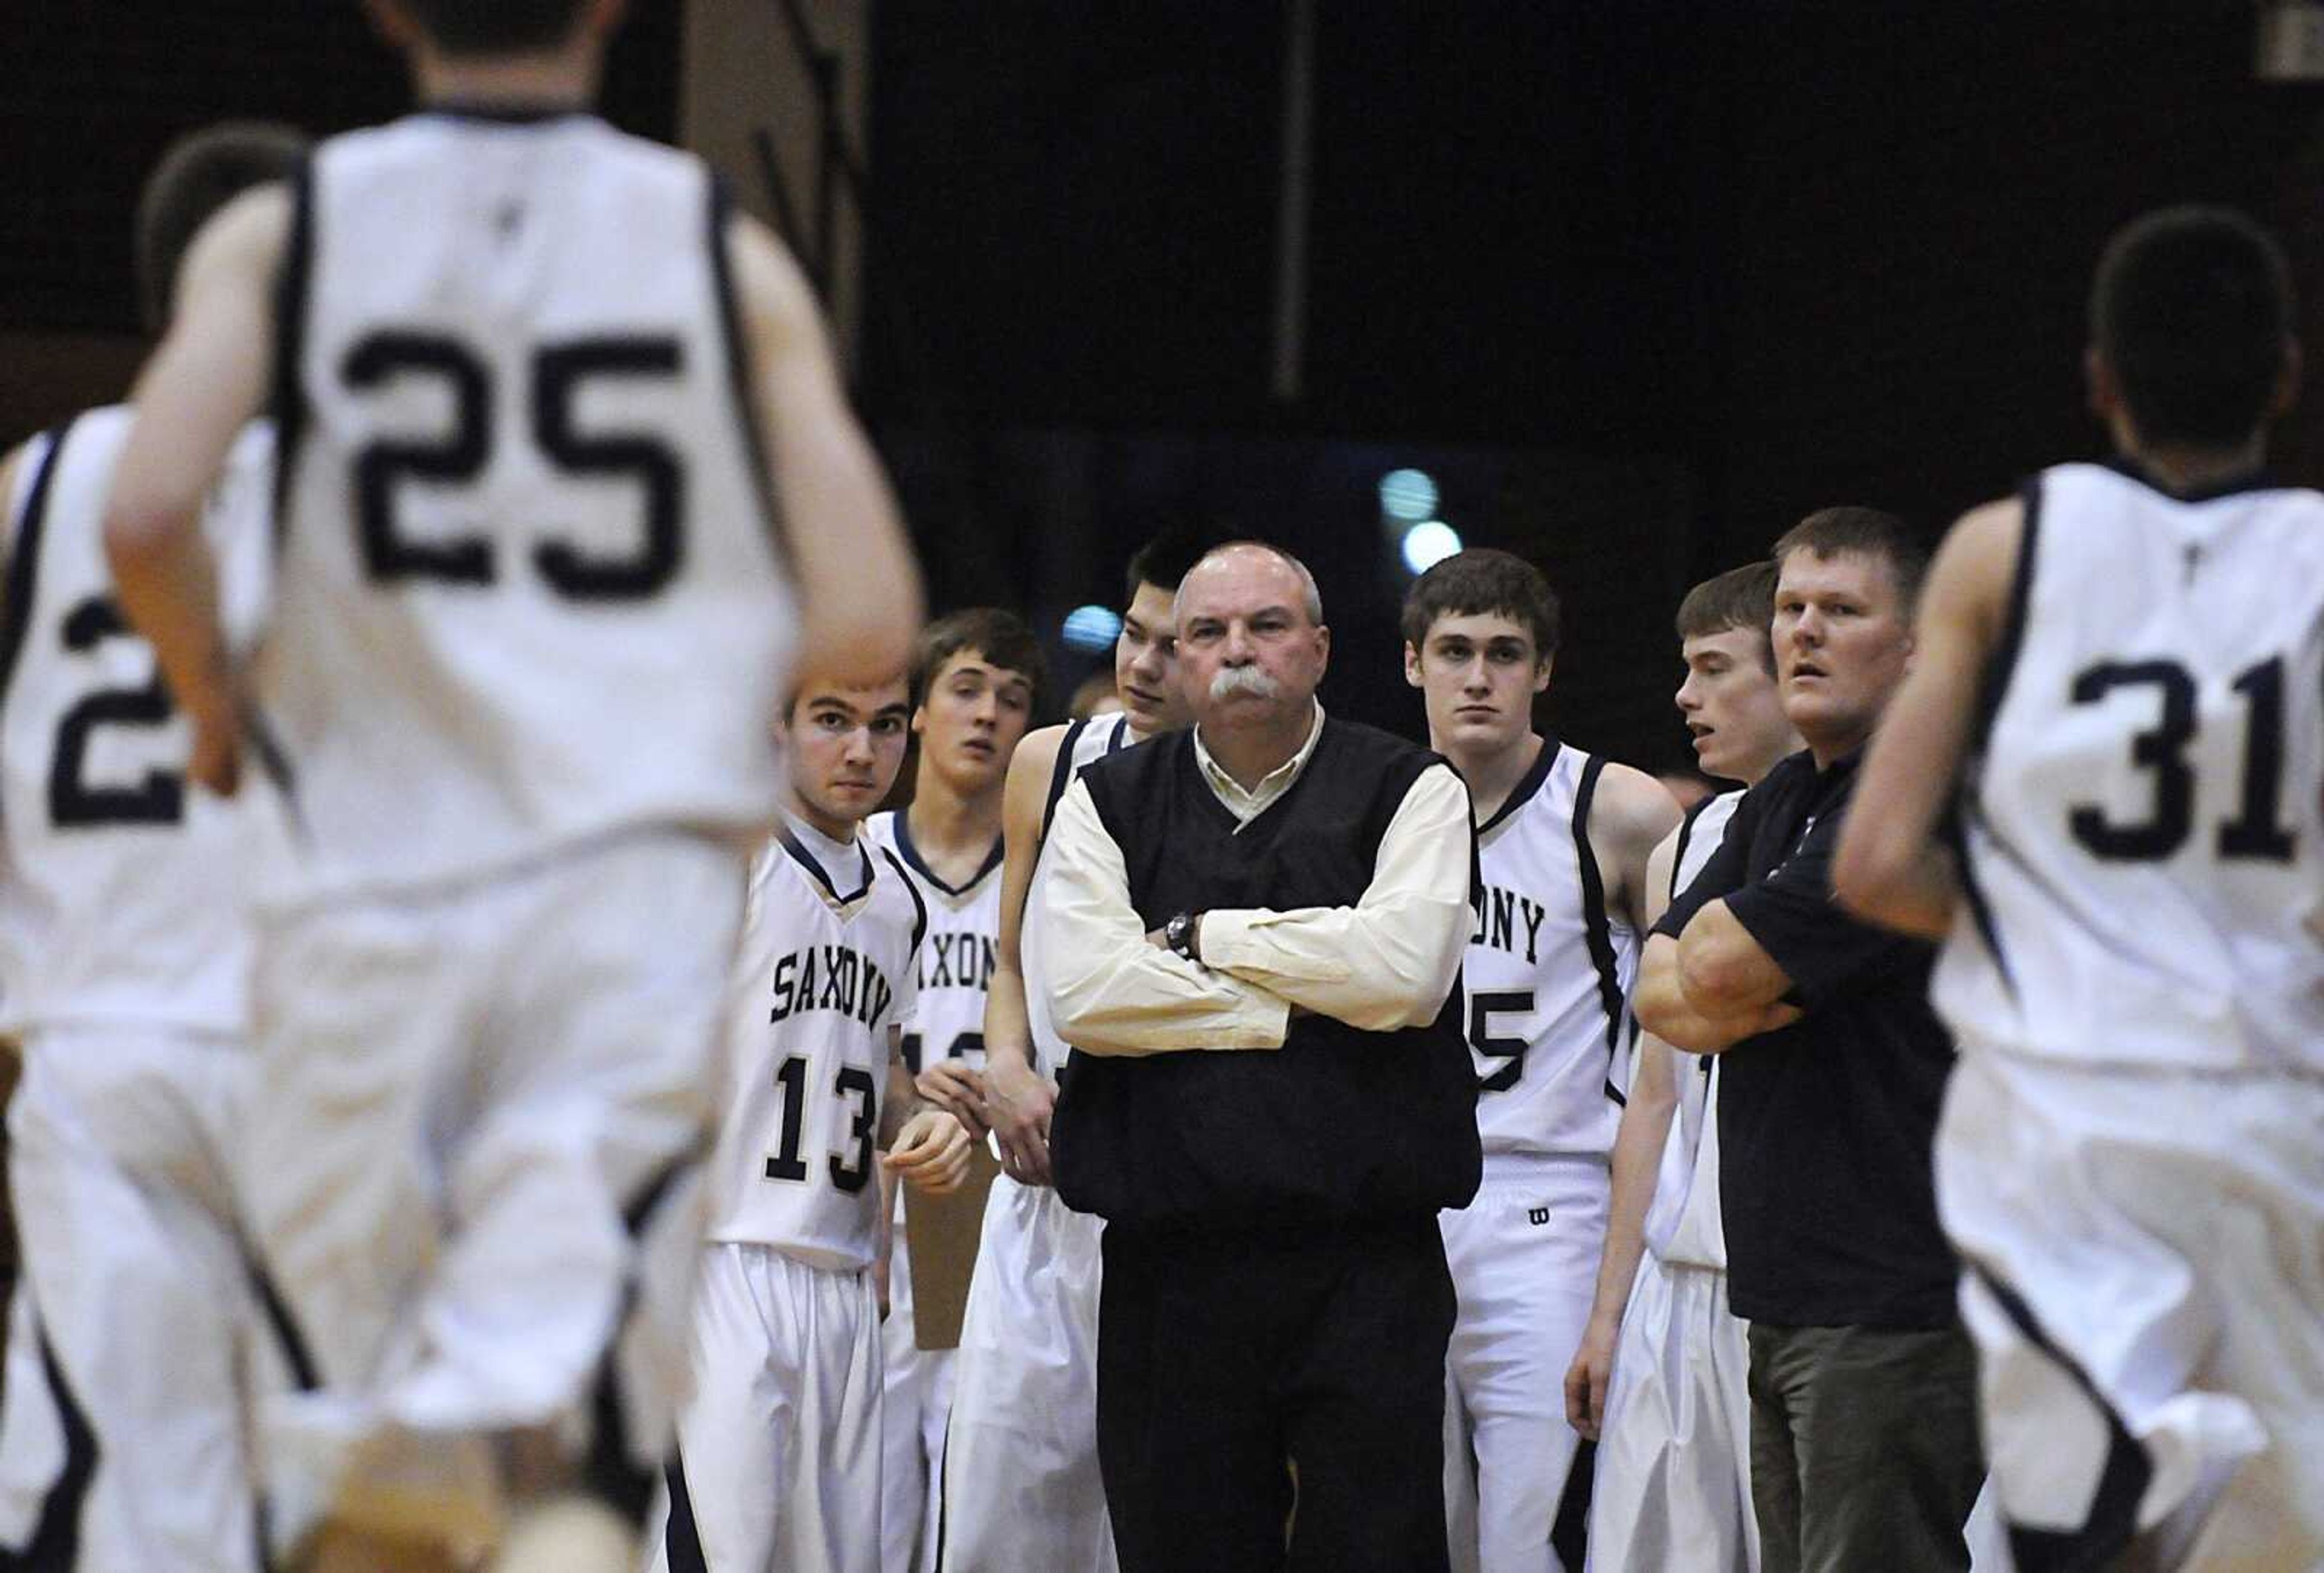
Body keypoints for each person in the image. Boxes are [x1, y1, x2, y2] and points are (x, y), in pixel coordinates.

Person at [100, 2, 922, 1566]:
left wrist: (216, 710)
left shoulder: (285, 235)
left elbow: (147, 509)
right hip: (608, 915)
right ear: (614, 11)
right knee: (557, 1466)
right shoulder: (715, 252)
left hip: (364, 903)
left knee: (366, 1447)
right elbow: (870, 611)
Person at [1835, 206, 2324, 1569]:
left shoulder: (2006, 547)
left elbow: (1875, 862)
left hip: (2058, 1124)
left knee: (2078, 1537)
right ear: (2286, 374)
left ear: (2099, 379)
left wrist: (2051, 937)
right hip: (2265, 1111)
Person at [1041, 540, 1482, 1572]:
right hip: (1170, 1262)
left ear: (1321, 650)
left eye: (1267, 627)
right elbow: (1086, 995)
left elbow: (1406, 976)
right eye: (1209, 632)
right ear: (1177, 659)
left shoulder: (1414, 787)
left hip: (1367, 1260)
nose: (1237, 651)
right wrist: (1304, 998)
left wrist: (1202, 938)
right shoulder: (1105, 799)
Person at [0, 122, 305, 1573]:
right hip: (323, 1066)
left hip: (103, 1043)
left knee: (126, 1512)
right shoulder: (391, 500)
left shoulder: (34, 485)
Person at [1635, 509, 1984, 1572]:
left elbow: (1720, 972)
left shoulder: (1922, 793)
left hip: (1894, 1293)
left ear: (1918, 643)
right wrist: (1736, 979)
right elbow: (1660, 992)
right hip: (1785, 1285)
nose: (1804, 634)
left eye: (1842, 610)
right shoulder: (1786, 792)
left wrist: (1726, 979)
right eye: (1791, 609)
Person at [654, 669, 973, 1573]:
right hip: (721, 1264)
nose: (861, 751)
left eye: (883, 727)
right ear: (779, 726)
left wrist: (921, 1123)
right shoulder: (728, 858)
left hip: (841, 1278)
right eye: (832, 723)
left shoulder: (898, 900)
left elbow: (882, 1076)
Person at [1399, 548, 1678, 1572]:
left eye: (1506, 654)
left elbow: (1679, 1051)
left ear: (1544, 671)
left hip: (1552, 1208)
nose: (1480, 677)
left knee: (1535, 1542)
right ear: (1413, 663)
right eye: (1457, 652)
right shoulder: (1368, 809)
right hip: (1402, 1209)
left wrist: (1621, 1285)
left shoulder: (1622, 810)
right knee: (1412, 1533)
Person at [937, 536, 1198, 1573]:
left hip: (1170, 1202)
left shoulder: (1254, 793)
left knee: (1143, 1526)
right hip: (1039, 1182)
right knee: (997, 1510)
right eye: (1134, 635)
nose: (1140, 664)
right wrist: (1005, 1067)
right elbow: (1008, 962)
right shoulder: (1049, 759)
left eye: (1171, 646)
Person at [1567, 562, 1797, 1572]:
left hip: (1803, 1285)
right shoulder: (1688, 839)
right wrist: (1609, 1313)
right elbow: (1653, 1096)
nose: (1684, 698)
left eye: (1713, 669)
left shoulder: (1875, 834)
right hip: (1678, 1279)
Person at [860, 608, 1043, 1573]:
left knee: (978, 1521)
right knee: (873, 1515)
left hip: (1003, 1219)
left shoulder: (1046, 872)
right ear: (919, 714)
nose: (988, 717)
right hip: (882, 1222)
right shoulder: (859, 859)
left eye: (1012, 701)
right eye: (967, 690)